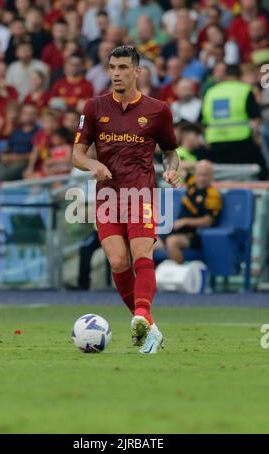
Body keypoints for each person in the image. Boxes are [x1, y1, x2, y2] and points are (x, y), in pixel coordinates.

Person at [72, 46, 179, 354]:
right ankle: (149, 326)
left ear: (137, 72)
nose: (116, 73)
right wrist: (92, 164)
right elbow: (77, 154)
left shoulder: (158, 110)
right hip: (106, 197)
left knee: (141, 251)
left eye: (122, 67)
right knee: (118, 261)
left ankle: (141, 315)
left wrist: (172, 170)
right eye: (112, 67)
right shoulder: (94, 107)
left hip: (141, 193)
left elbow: (171, 152)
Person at [202, 64, 268, 180]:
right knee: (258, 169)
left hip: (215, 141)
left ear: (225, 75)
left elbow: (203, 120)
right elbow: (256, 118)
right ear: (240, 75)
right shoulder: (244, 89)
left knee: (222, 175)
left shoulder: (211, 92)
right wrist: (256, 137)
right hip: (241, 140)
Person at [164, 160, 222, 264]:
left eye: (206, 175)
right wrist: (198, 164)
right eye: (199, 174)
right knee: (146, 240)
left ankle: (179, 278)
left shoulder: (213, 195)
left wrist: (185, 221)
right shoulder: (191, 182)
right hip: (178, 229)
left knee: (172, 242)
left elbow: (207, 221)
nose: (202, 178)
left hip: (195, 235)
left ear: (211, 176)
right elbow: (178, 166)